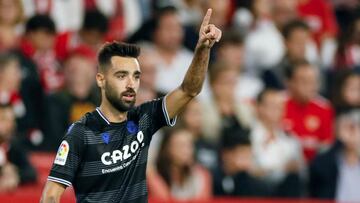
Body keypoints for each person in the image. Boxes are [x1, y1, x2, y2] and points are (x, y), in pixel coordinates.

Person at [40, 8, 221, 203]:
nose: (130, 84)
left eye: (135, 76)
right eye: (121, 76)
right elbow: (50, 195)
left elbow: (189, 90)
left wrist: (203, 49)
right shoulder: (80, 133)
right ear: (101, 80)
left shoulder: (145, 118)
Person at [251, 88, 304, 197]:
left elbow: (299, 169)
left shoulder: (291, 140)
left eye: (280, 107)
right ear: (258, 107)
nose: (277, 110)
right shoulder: (247, 135)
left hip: (284, 192)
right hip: (256, 191)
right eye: (272, 106)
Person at [283, 60, 334, 162]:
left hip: (316, 165)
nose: (310, 87)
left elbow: (327, 145)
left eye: (313, 81)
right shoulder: (279, 104)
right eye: (304, 81)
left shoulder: (324, 108)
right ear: (289, 83)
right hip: (285, 165)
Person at [147, 127, 212, 201]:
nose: (187, 151)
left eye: (189, 145)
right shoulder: (154, 175)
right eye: (181, 145)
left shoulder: (202, 174)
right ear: (167, 149)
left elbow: (203, 200)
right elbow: (165, 200)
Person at [309, 109, 360, 202]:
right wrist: (339, 142)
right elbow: (317, 171)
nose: (351, 133)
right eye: (347, 128)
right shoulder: (328, 160)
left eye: (354, 128)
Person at [0, 103, 37, 191]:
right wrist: (2, 171)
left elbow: (31, 173)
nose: (11, 125)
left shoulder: (16, 145)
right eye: (4, 120)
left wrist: (15, 175)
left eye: (12, 121)